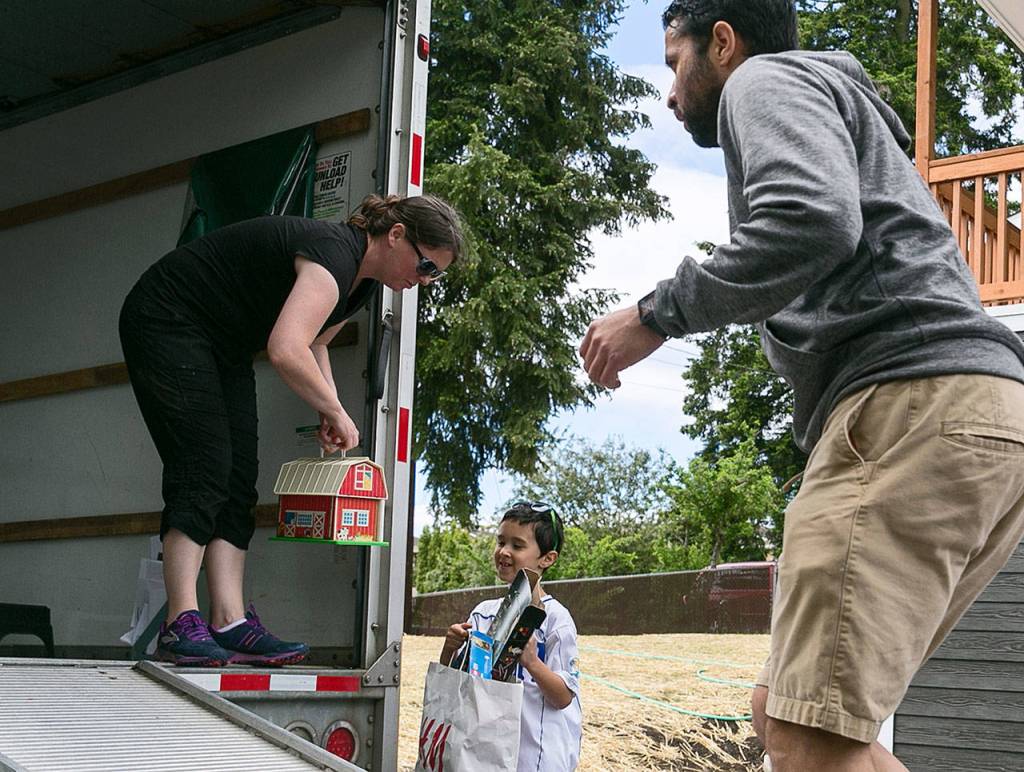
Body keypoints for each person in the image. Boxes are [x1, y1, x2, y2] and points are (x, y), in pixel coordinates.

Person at [579, 1, 1024, 770]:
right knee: (783, 712)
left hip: (906, 401)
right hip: (977, 414)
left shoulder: (763, 81)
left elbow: (811, 220)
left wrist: (657, 312)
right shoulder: (831, 100)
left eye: (673, 63)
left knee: (809, 736)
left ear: (721, 42)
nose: (670, 92)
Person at [120, 193, 464, 667]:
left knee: (239, 475)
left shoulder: (361, 282)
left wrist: (329, 407)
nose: (424, 279)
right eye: (425, 265)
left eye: (435, 275)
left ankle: (229, 620)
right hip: (167, 317)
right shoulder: (335, 252)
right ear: (397, 235)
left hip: (222, 340)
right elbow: (285, 348)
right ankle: (181, 622)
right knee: (203, 466)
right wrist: (336, 411)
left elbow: (315, 343)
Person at [440, 502, 582, 771]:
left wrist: (532, 663)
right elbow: (457, 686)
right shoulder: (483, 614)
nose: (503, 552)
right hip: (484, 754)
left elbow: (564, 697)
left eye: (517, 545)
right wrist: (450, 649)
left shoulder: (555, 621)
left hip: (535, 759)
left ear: (547, 558)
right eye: (500, 542)